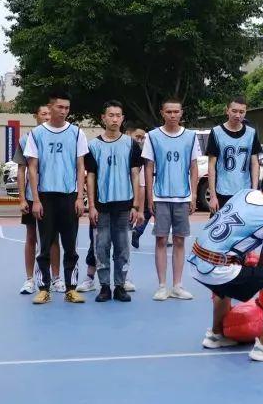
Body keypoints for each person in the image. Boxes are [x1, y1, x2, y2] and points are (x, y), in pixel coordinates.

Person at [188, 160, 263, 362]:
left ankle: (216, 334)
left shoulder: (244, 193)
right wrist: (253, 265)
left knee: (230, 270)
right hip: (217, 268)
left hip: (196, 259)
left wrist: (243, 261)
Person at [26, 89, 89, 304]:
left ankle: (71, 288)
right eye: (60, 107)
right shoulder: (37, 134)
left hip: (69, 196)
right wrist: (35, 200)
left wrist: (79, 197)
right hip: (45, 197)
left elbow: (80, 166)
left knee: (70, 246)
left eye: (67, 108)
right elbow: (32, 168)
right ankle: (44, 288)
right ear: (50, 107)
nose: (63, 111)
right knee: (44, 245)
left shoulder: (77, 133)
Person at [142, 98, 200, 301]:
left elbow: (194, 167)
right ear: (162, 113)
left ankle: (177, 285)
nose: (173, 115)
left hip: (182, 196)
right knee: (160, 239)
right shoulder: (152, 136)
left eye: (176, 111)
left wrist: (194, 194)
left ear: (181, 113)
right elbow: (148, 167)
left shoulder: (191, 136)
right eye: (169, 112)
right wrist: (149, 196)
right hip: (160, 195)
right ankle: (161, 286)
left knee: (179, 240)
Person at [86, 101, 144, 302]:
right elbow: (90, 177)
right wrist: (91, 205)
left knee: (123, 248)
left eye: (118, 115)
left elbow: (135, 175)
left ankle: (119, 286)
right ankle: (104, 287)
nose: (114, 119)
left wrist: (136, 205)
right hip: (101, 205)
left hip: (124, 204)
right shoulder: (93, 146)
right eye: (110, 115)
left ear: (122, 118)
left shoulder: (131, 145)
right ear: (103, 118)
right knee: (101, 247)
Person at [14, 105, 59, 294]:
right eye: (43, 113)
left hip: (53, 195)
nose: (47, 116)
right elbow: (21, 170)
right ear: (36, 116)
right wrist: (22, 199)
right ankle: (29, 279)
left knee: (53, 238)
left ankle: (56, 278)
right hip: (32, 197)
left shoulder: (58, 138)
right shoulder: (26, 139)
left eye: (50, 113)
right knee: (31, 236)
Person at [207, 96, 262, 214]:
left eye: (241, 112)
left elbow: (255, 163)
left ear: (246, 112)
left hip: (244, 192)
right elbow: (211, 166)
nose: (238, 115)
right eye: (234, 111)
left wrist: (254, 191)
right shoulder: (216, 132)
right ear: (227, 110)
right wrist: (212, 196)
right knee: (219, 225)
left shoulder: (251, 133)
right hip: (222, 191)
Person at [128, 126, 151, 250]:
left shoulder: (143, 156)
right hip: (125, 193)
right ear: (128, 134)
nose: (140, 140)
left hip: (138, 191)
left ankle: (136, 231)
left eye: (143, 138)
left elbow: (141, 184)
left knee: (148, 211)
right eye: (137, 137)